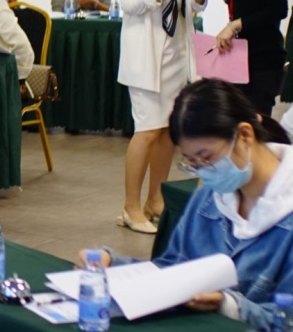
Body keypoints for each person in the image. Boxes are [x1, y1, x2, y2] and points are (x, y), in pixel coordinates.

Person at [82, 80, 293, 331]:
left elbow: (287, 320)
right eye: (192, 163)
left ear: (245, 135)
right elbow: (171, 272)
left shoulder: (285, 215)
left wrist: (229, 305)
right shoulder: (209, 199)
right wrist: (112, 265)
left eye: (207, 158)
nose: (204, 172)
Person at [118, 0, 207, 234]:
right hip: (146, 58)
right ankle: (131, 206)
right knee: (146, 131)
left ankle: (155, 199)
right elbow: (129, 4)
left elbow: (188, 9)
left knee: (168, 131)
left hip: (176, 57)